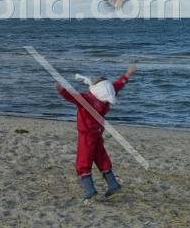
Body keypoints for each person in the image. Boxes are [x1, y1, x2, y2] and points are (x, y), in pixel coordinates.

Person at [55, 66, 137, 200]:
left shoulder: (87, 99)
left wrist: (62, 91)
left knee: (83, 160)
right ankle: (112, 183)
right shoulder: (108, 96)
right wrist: (127, 74)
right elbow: (117, 85)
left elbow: (73, 97)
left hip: (86, 133)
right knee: (100, 156)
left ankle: (90, 189)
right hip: (98, 131)